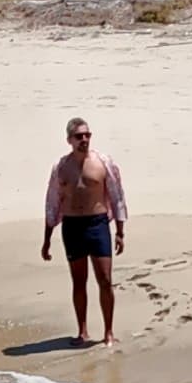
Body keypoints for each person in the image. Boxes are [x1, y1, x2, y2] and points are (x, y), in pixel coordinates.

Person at [41, 115, 127, 346]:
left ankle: (108, 332)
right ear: (69, 139)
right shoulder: (61, 167)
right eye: (79, 136)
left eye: (87, 135)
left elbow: (117, 196)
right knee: (79, 281)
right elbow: (52, 202)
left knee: (105, 280)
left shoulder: (103, 162)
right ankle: (83, 332)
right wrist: (47, 239)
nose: (85, 139)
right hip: (72, 226)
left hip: (97, 224)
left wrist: (119, 230)